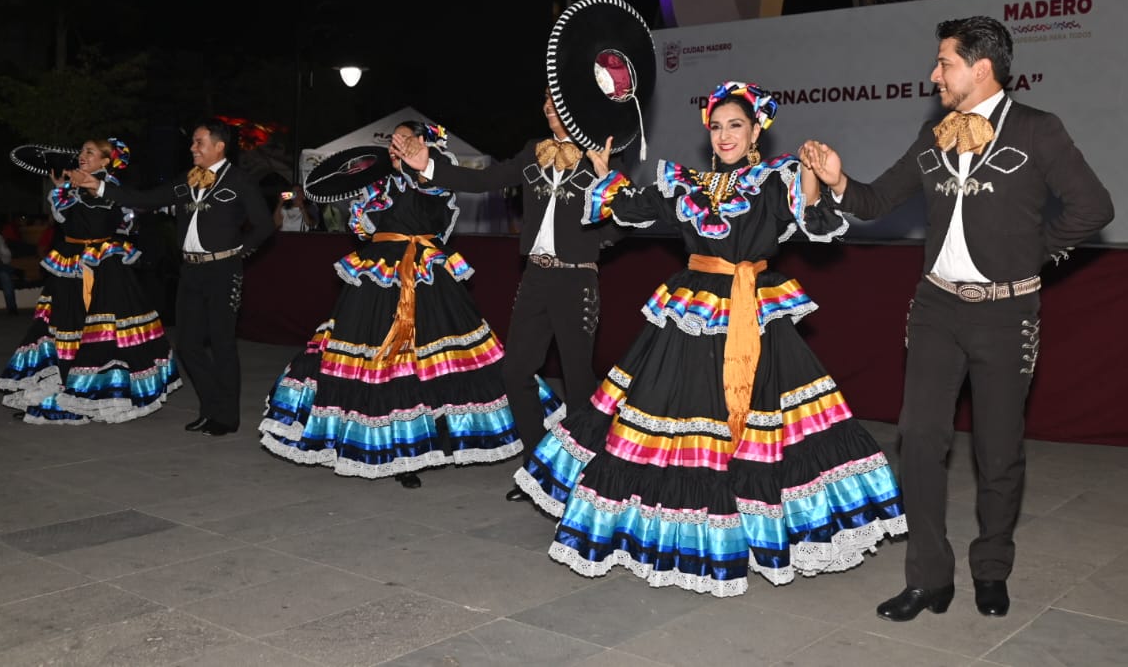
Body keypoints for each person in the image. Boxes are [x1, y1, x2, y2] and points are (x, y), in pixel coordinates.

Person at [510, 81, 906, 597]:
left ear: (756, 130)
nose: (724, 135)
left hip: (751, 311)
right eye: (717, 127)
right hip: (693, 312)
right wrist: (605, 176)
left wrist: (812, 177)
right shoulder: (686, 184)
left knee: (759, 427)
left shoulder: (775, 179)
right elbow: (635, 206)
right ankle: (673, 531)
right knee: (674, 422)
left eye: (735, 125)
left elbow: (813, 218)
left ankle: (753, 531)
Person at [800, 16, 1114, 622]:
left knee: (998, 452)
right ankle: (928, 579)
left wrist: (1033, 253)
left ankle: (991, 569)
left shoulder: (1037, 129)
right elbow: (875, 200)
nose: (934, 74)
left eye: (944, 63)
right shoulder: (934, 135)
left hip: (1007, 312)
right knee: (919, 440)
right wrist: (838, 180)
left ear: (981, 68)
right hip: (936, 309)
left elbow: (1093, 207)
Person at [260, 122, 525, 487]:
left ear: (421, 142)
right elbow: (361, 228)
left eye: (405, 138)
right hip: (378, 276)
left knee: (432, 361)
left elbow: (437, 207)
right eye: (394, 139)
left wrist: (416, 170)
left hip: (425, 277)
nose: (397, 144)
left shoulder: (435, 171)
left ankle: (434, 442)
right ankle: (391, 447)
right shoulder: (378, 182)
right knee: (373, 361)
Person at [394, 93, 621, 501]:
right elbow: (484, 180)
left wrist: (607, 191)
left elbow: (621, 226)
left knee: (578, 382)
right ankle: (537, 471)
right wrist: (428, 166)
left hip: (577, 279)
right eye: (546, 100)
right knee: (515, 372)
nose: (549, 105)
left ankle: (584, 477)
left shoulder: (598, 157)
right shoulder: (533, 152)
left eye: (556, 99)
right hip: (535, 277)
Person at [69, 119, 274, 436]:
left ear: (219, 146)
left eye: (199, 142)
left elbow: (264, 225)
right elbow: (145, 199)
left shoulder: (239, 180)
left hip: (222, 270)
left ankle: (227, 417)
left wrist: (238, 253)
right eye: (193, 142)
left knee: (222, 344)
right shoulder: (187, 179)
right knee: (188, 345)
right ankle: (210, 408)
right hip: (190, 271)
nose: (193, 148)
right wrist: (99, 186)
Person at [0, 138, 181, 423]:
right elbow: (68, 221)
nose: (83, 155)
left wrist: (83, 188)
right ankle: (61, 393)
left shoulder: (109, 188)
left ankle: (89, 396)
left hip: (99, 269)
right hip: (69, 265)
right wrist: (63, 188)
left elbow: (98, 222)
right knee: (61, 329)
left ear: (105, 161)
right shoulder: (74, 188)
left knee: (95, 333)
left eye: (90, 152)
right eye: (82, 150)